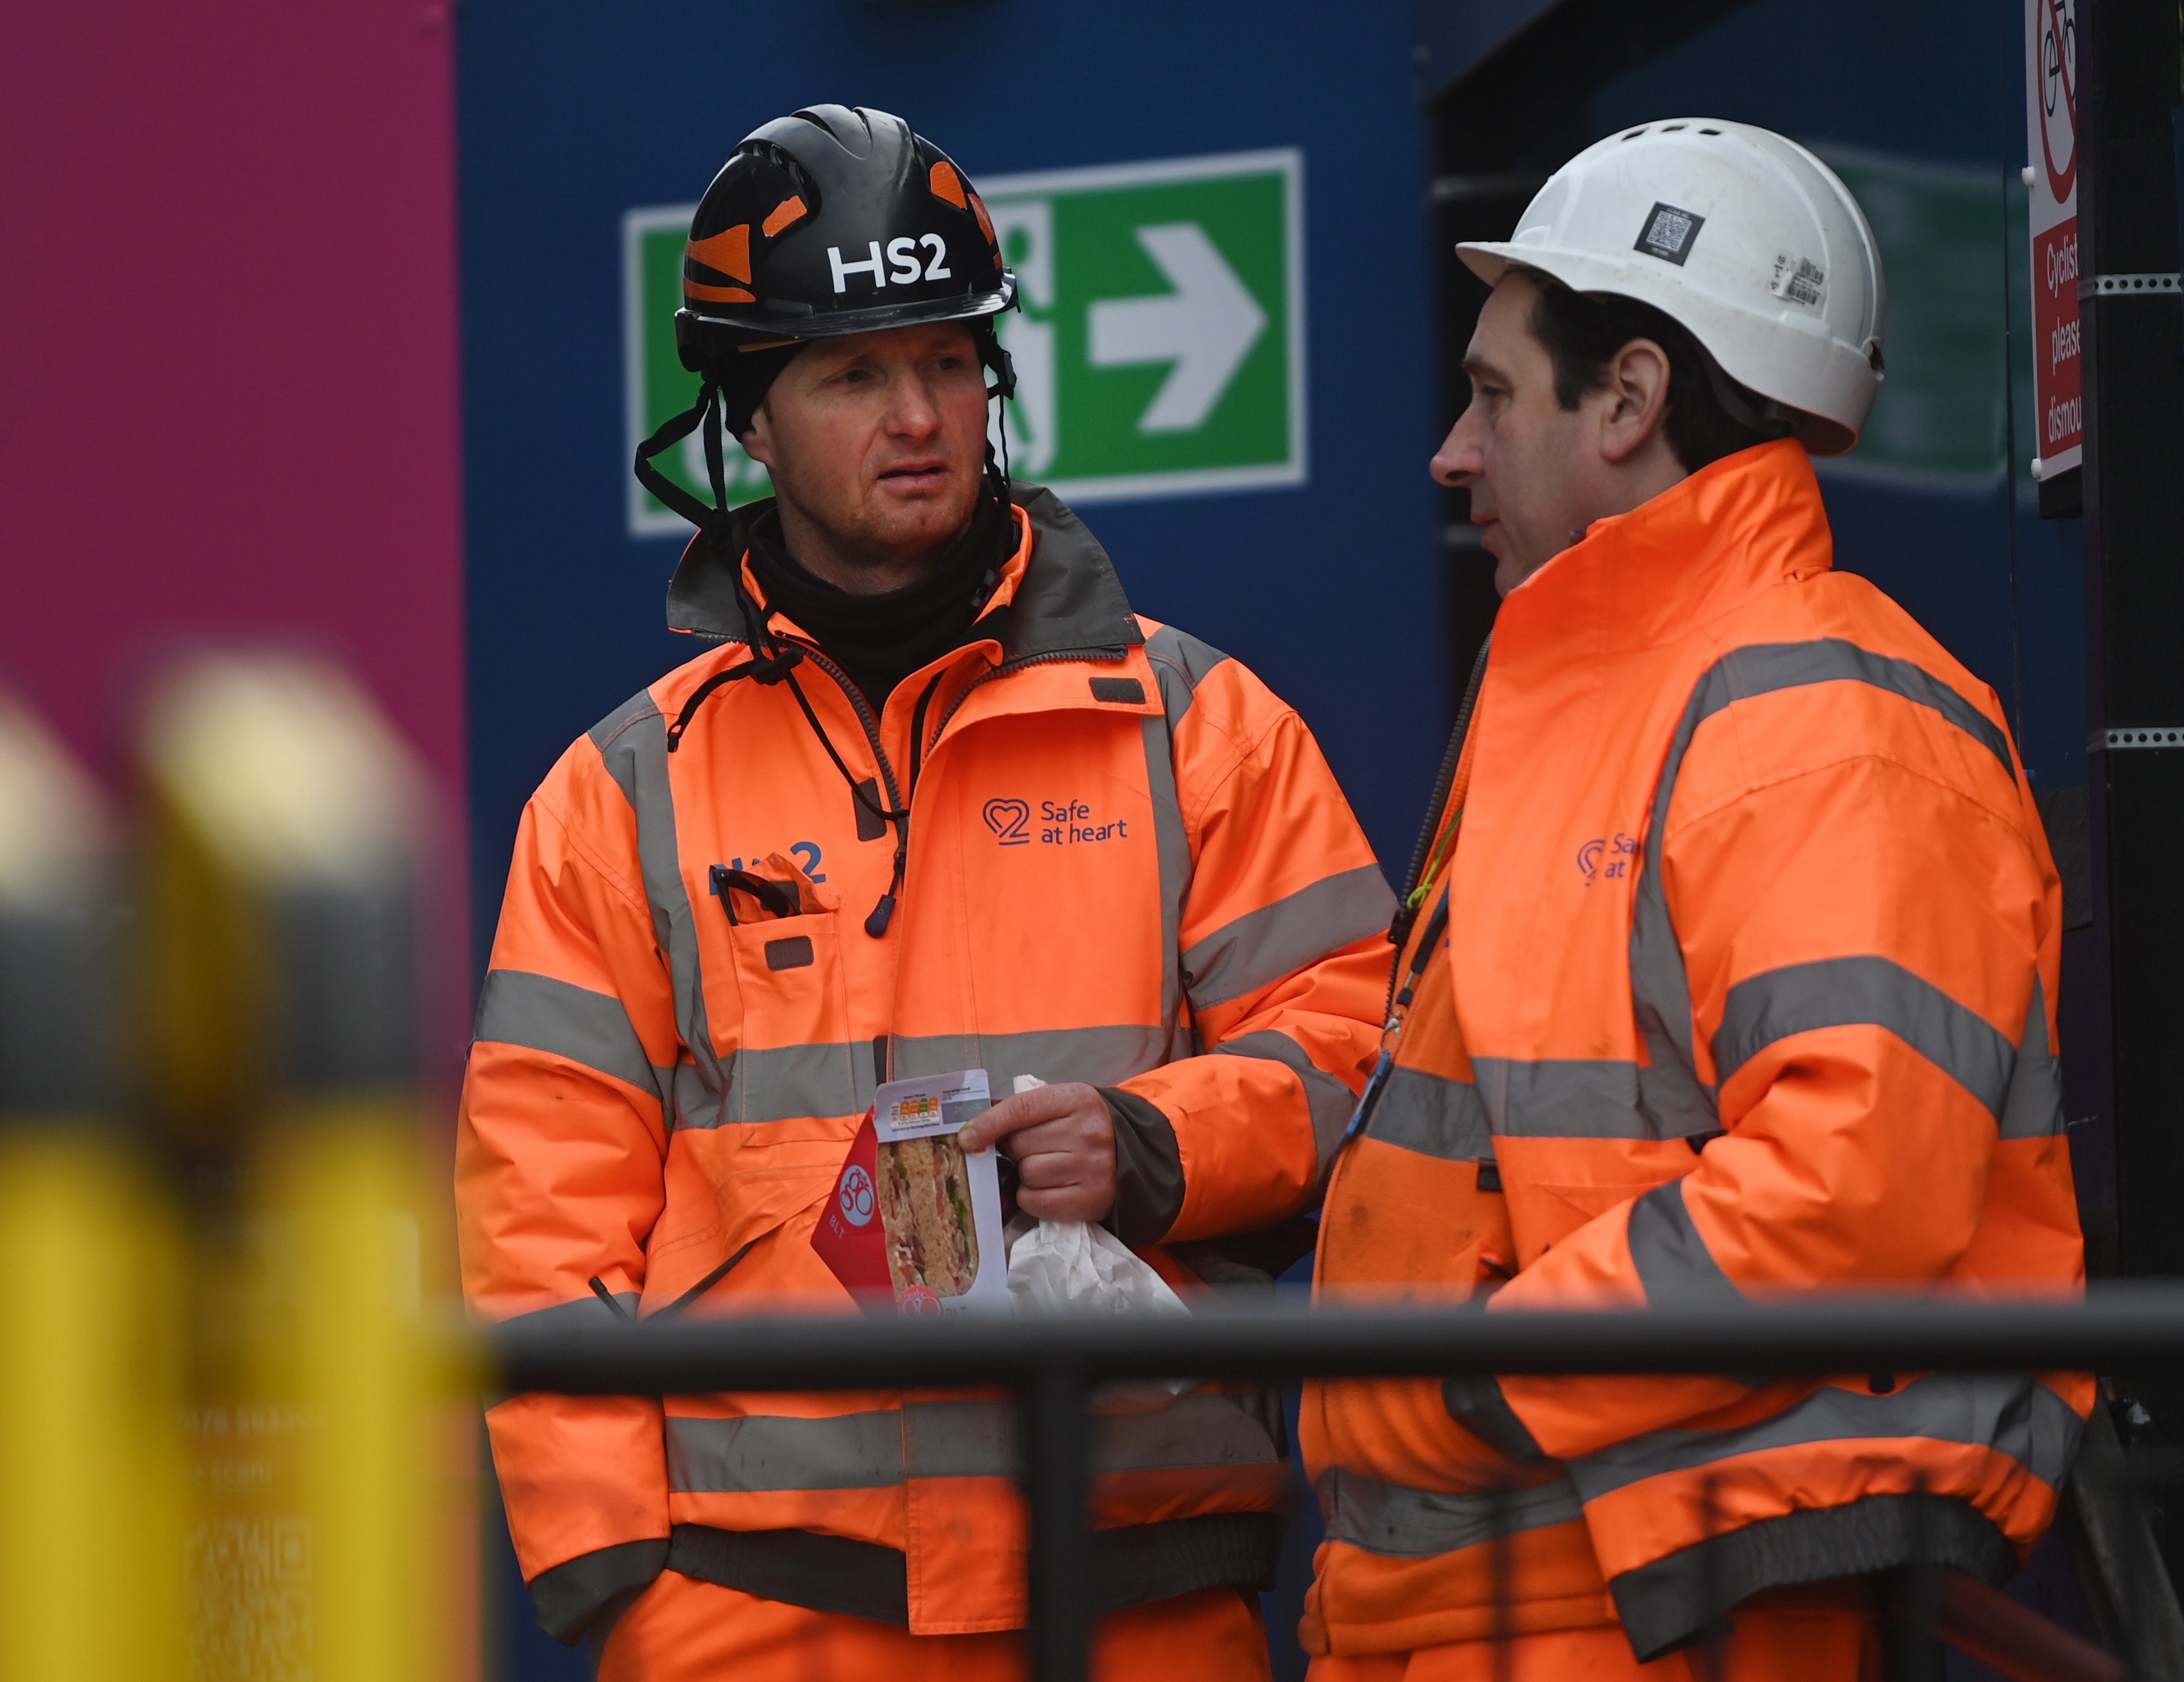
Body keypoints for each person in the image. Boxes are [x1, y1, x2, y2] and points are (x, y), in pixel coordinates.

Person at [457, 103, 1395, 1678]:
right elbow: (538, 1225)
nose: (917, 415)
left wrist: (1154, 1142)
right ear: (748, 418)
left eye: (948, 361)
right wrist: (621, 1582)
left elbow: (1365, 1063)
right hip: (755, 1622)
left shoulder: (1198, 727)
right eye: (853, 373)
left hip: (1139, 1602)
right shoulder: (622, 790)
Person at [1298, 119, 2090, 1680]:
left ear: (1631, 397)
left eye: (1490, 392)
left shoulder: (1819, 713)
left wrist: (1463, 1383)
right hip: (1483, 1599)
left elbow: (1844, 1192)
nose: (1451, 451)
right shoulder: (1597, 692)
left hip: (1659, 1609)